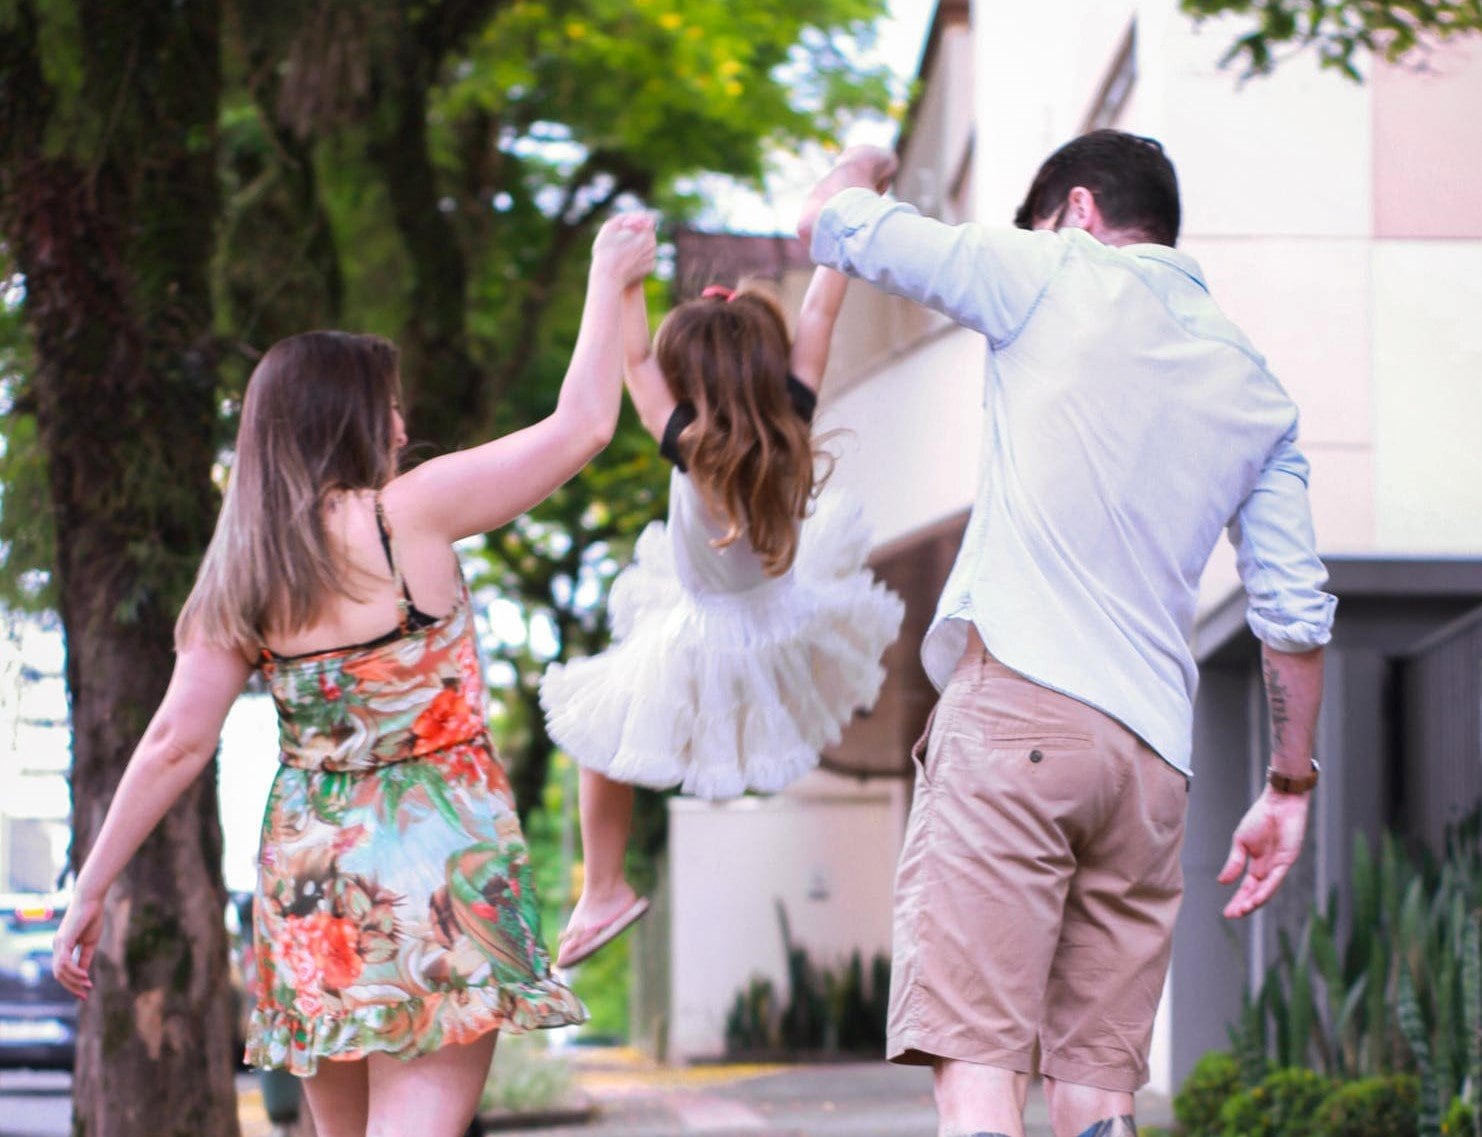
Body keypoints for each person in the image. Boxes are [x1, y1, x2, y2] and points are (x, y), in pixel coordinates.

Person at [51, 212, 658, 1137]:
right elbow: (582, 427)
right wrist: (609, 276)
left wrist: (89, 887)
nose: (405, 425)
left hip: (312, 878)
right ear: (347, 418)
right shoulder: (409, 514)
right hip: (438, 861)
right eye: (391, 406)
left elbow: (176, 742)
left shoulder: (240, 574)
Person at [797, 131, 1336, 1137]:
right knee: (1097, 1094)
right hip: (1150, 772)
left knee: (977, 1069)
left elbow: (831, 227)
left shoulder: (1053, 272)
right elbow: (1294, 617)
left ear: (1078, 211)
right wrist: (1288, 786)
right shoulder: (1258, 391)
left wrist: (861, 170)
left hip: (1018, 723)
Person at [539, 248, 906, 969]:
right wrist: (840, 230)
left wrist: (623, 275)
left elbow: (634, 358)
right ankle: (606, 890)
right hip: (784, 613)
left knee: (596, 735)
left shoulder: (688, 442)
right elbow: (820, 311)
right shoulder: (793, 415)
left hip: (707, 626)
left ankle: (605, 886)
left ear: (686, 381)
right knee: (667, 716)